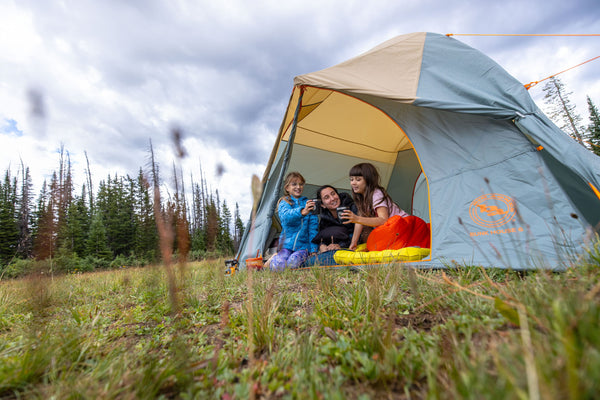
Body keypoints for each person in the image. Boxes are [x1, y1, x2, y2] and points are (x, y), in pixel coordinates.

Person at [339, 163, 409, 250]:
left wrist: (357, 218)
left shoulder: (376, 194)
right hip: (391, 230)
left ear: (368, 180)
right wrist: (353, 242)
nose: (353, 183)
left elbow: (383, 220)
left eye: (358, 179)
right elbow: (359, 221)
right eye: (351, 179)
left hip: (403, 226)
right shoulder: (362, 197)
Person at [269, 172, 319, 271]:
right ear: (287, 188)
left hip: (303, 248)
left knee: (293, 262)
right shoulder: (285, 202)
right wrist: (302, 212)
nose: (298, 187)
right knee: (278, 264)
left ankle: (296, 263)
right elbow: (286, 218)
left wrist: (313, 250)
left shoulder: (308, 204)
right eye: (294, 184)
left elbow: (313, 229)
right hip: (286, 246)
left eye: (301, 184)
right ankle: (272, 260)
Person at [311, 185, 357, 252]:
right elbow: (323, 235)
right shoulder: (325, 218)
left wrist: (340, 245)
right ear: (322, 205)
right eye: (327, 197)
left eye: (333, 194)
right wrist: (322, 245)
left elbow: (360, 234)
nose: (332, 198)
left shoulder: (352, 208)